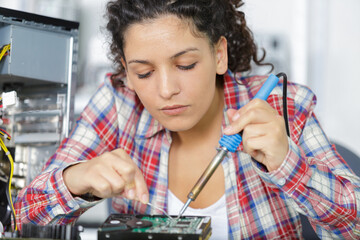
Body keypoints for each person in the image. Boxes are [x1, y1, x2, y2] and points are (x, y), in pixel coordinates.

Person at [14, 0, 360, 239]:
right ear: (126, 70)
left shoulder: (285, 106)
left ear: (219, 54)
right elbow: (22, 218)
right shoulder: (120, 103)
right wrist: (76, 179)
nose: (166, 90)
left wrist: (289, 164)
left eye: (185, 65)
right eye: (144, 72)